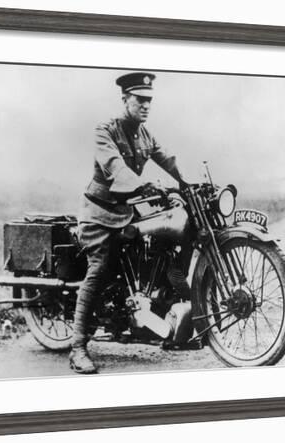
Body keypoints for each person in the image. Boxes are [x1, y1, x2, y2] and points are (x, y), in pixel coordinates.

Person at [70, 72, 190, 374]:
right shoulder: (105, 131)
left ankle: (163, 319)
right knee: (98, 270)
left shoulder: (145, 134)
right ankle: (77, 348)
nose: (146, 106)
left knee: (159, 244)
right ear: (125, 99)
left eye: (149, 100)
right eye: (140, 100)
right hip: (99, 213)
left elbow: (167, 159)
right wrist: (142, 185)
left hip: (126, 210)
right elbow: (115, 168)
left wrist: (187, 183)